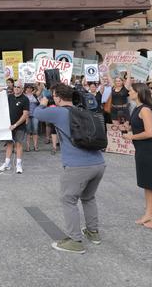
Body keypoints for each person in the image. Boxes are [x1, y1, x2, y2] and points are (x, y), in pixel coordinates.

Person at [34, 84, 106, 254]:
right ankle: (93, 232)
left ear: (57, 97)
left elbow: (37, 113)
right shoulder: (82, 110)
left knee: (68, 200)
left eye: (53, 95)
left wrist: (43, 102)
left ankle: (75, 241)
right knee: (88, 198)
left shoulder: (58, 112)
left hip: (77, 166)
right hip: (98, 163)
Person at [122, 83, 152, 230]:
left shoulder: (146, 109)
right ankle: (149, 214)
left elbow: (150, 133)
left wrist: (132, 136)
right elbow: (139, 127)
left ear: (139, 92)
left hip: (148, 150)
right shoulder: (137, 108)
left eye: (131, 91)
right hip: (142, 150)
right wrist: (127, 128)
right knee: (146, 184)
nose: (129, 93)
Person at [0, 82, 29, 173]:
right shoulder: (10, 97)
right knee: (9, 144)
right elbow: (0, 101)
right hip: (9, 126)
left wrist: (15, 125)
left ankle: (18, 165)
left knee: (18, 145)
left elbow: (25, 114)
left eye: (18, 87)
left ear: (22, 89)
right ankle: (7, 163)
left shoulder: (25, 99)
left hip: (19, 126)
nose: (16, 88)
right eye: (15, 86)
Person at [24, 85, 40, 152]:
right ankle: (28, 147)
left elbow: (40, 88)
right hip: (26, 115)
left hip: (35, 115)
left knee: (35, 130)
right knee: (28, 131)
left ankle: (35, 146)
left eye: (30, 88)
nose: (29, 89)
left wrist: (37, 84)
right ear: (26, 89)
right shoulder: (24, 95)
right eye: (28, 88)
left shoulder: (35, 95)